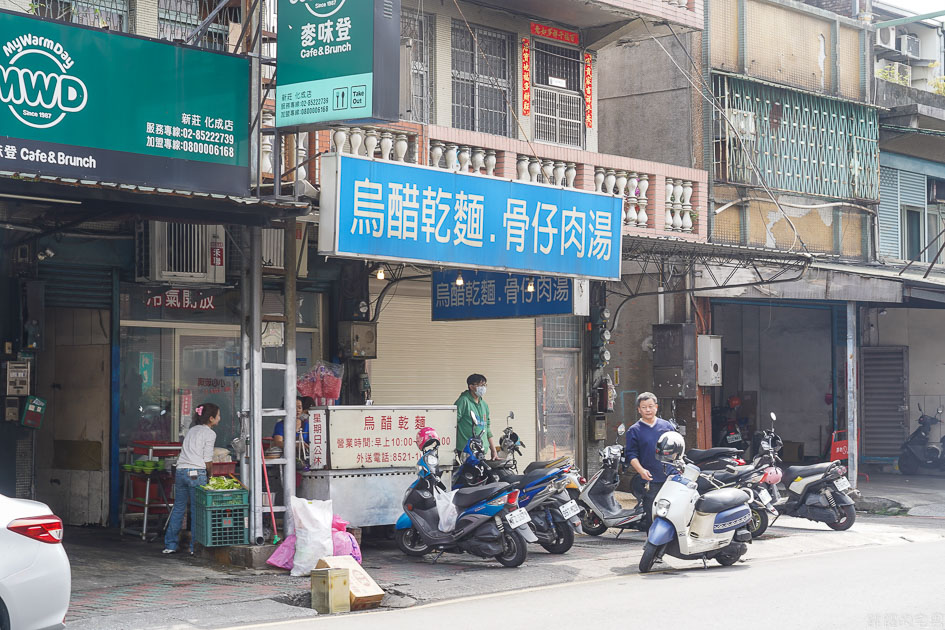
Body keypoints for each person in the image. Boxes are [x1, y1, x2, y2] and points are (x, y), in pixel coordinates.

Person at [164, 402, 220, 555]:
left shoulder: (192, 430)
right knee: (197, 511)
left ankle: (170, 545)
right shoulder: (210, 433)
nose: (219, 419)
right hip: (196, 472)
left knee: (179, 508)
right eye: (218, 416)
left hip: (181, 471)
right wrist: (211, 474)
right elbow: (207, 459)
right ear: (211, 418)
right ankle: (195, 548)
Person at [624, 392, 676, 530]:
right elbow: (631, 455)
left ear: (656, 407)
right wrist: (641, 471)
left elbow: (676, 449)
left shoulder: (667, 426)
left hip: (670, 477)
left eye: (650, 406)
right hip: (649, 478)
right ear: (638, 410)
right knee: (652, 513)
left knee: (672, 512)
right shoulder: (634, 430)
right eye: (644, 407)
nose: (648, 410)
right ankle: (652, 545)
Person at [455, 374, 496, 459]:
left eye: (485, 385)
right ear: (471, 386)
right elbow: (453, 423)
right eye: (481, 385)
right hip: (466, 451)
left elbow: (487, 428)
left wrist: (493, 450)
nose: (483, 388)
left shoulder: (484, 405)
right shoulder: (463, 401)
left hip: (481, 450)